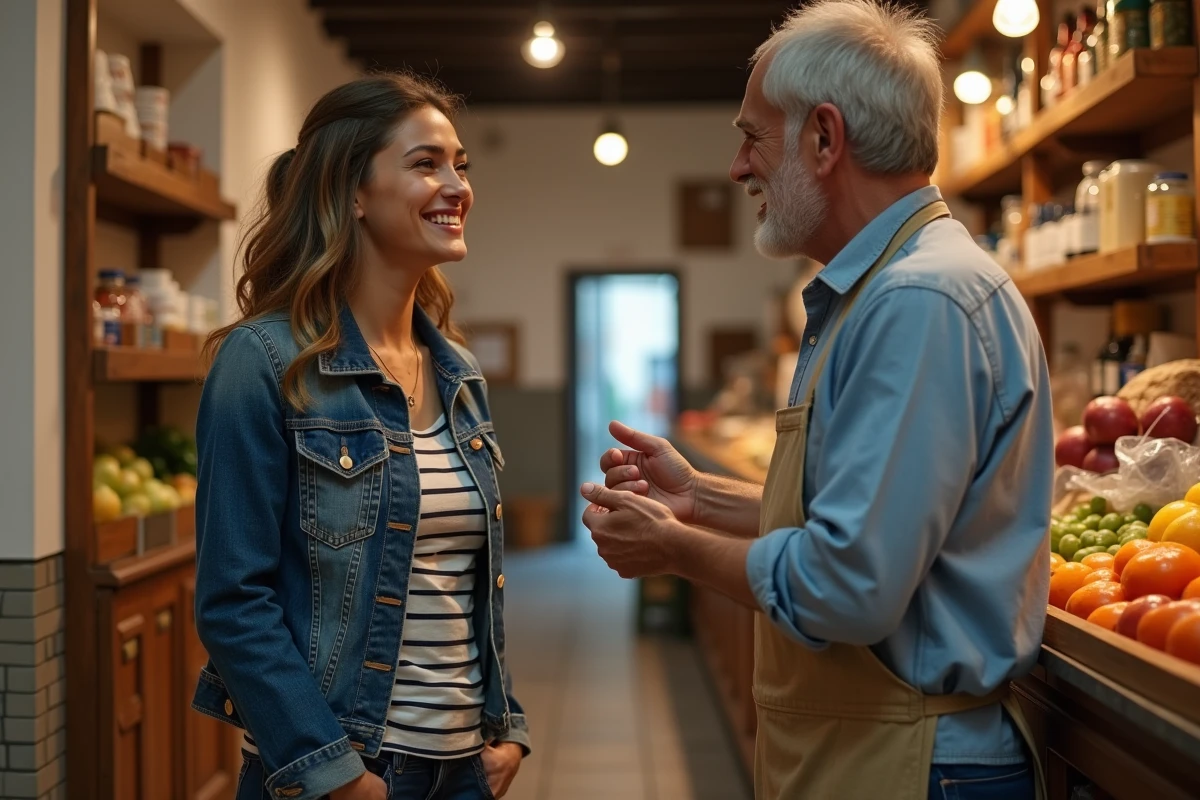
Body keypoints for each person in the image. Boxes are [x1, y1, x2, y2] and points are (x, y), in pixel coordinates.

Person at [580, 2, 1052, 798]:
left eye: (753, 136)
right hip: (879, 752)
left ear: (825, 139)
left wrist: (674, 547)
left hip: (916, 764)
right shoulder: (878, 291)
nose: (737, 167)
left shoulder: (918, 301)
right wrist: (697, 497)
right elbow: (858, 522)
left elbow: (849, 586)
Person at [191, 74, 529, 800]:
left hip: (465, 768)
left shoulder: (457, 370)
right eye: (425, 163)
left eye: (460, 164)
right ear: (352, 192)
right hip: (346, 776)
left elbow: (461, 586)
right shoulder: (264, 363)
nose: (456, 186)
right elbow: (232, 601)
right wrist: (338, 777)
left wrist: (507, 732)